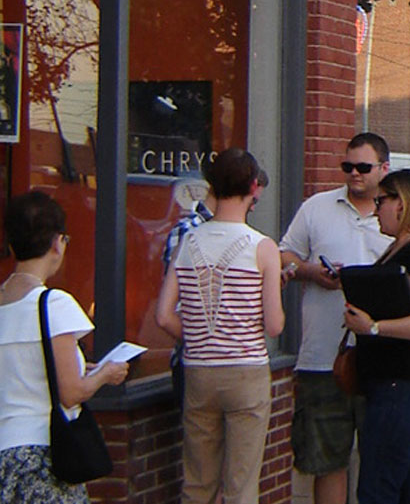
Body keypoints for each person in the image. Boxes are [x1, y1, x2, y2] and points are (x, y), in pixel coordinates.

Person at [157, 148, 285, 504]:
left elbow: (163, 316)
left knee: (197, 483)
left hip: (199, 369)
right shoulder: (262, 247)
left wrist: (200, 335)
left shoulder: (187, 240)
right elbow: (274, 324)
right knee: (241, 485)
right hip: (246, 369)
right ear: (253, 187)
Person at [279, 133, 394, 504]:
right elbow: (283, 258)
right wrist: (312, 272)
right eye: (348, 167)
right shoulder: (317, 207)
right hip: (323, 357)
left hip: (382, 358)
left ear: (384, 168)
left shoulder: (395, 213)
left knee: (382, 464)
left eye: (363, 167)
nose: (354, 174)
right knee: (327, 461)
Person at [0, 192, 130, 504]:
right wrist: (105, 374)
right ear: (57, 243)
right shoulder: (53, 303)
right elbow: (71, 393)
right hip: (45, 453)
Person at [341, 169, 410, 503]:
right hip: (397, 385)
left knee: (377, 488)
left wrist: (374, 327)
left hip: (406, 387)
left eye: (381, 201)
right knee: (404, 489)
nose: (375, 210)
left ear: (401, 203)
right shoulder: (398, 248)